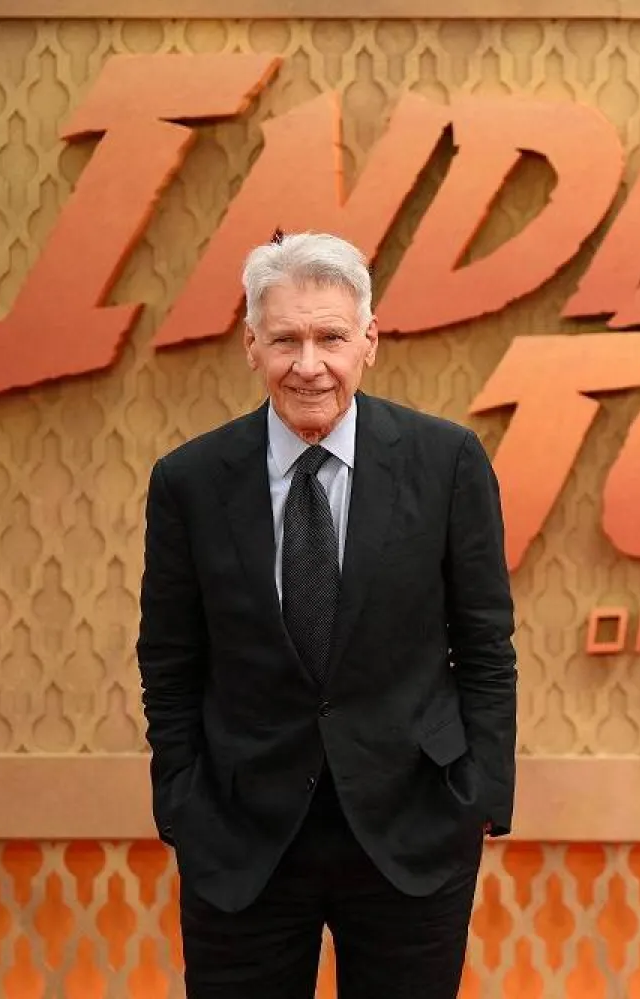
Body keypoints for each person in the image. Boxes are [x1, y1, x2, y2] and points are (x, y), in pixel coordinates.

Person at [136, 230, 518, 998]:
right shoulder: (190, 480)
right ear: (251, 345)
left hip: (412, 828)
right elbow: (170, 662)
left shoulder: (446, 463)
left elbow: (484, 645)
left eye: (330, 337)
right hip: (241, 837)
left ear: (368, 341)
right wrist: (181, 801)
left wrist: (479, 798)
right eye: (285, 339)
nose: (308, 364)